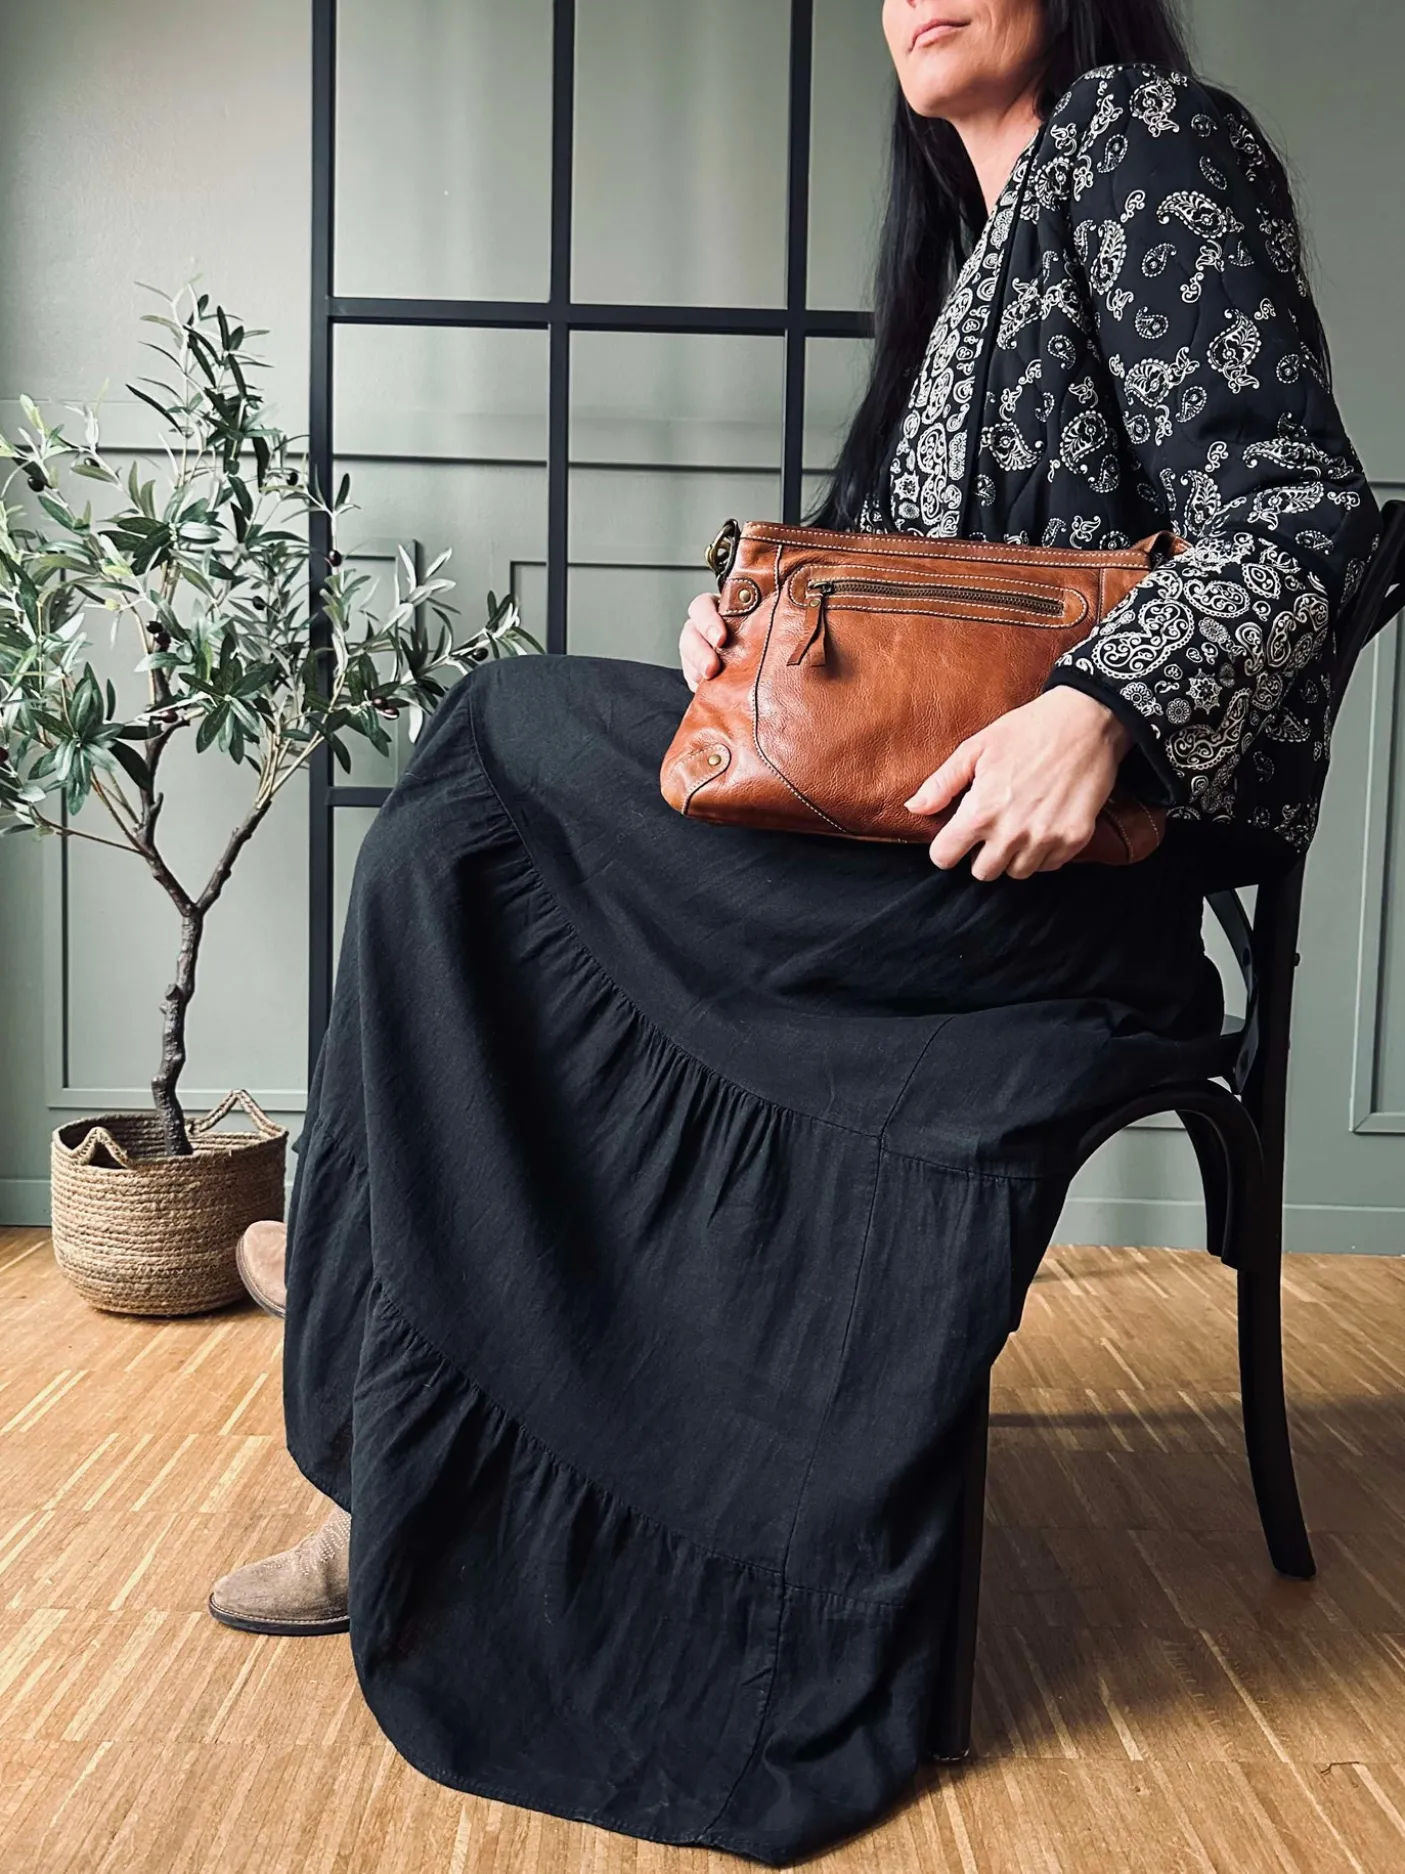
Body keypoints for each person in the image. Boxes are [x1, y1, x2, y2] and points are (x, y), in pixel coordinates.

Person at [208, 1, 1379, 1862]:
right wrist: (745, 639)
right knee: (463, 839)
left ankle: (373, 1323)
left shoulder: (1147, 139)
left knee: (495, 745)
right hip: (908, 868)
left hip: (1044, 910)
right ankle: (397, 1417)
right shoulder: (968, 252)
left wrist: (1107, 710)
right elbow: (890, 622)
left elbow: (1307, 521)